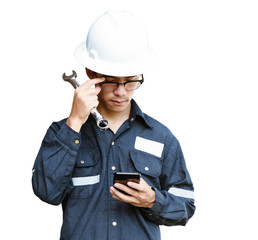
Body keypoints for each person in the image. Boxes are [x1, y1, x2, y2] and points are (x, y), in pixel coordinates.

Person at [32, 10, 195, 240]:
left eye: (130, 82)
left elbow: (186, 205)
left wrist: (153, 200)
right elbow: (47, 192)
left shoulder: (161, 138)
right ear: (91, 73)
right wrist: (75, 121)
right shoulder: (62, 133)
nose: (120, 92)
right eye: (111, 81)